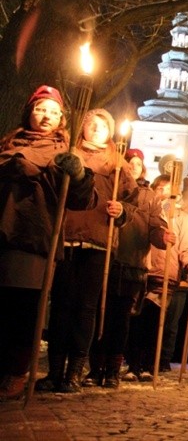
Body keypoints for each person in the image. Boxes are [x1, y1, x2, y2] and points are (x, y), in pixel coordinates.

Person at [0, 86, 95, 401]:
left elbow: (83, 199)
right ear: (29, 112)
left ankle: (15, 371)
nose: (47, 116)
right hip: (3, 231)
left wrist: (79, 175)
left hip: (34, 236)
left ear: (61, 120)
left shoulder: (63, 152)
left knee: (23, 311)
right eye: (41, 109)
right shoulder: (8, 143)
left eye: (54, 112)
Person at [37, 108, 140, 394]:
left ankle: (74, 371)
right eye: (91, 124)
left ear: (110, 132)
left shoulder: (117, 164)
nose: (96, 129)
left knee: (85, 308)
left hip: (97, 242)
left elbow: (132, 201)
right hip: (65, 236)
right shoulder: (68, 153)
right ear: (82, 128)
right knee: (60, 305)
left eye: (102, 126)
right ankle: (54, 370)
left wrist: (121, 211)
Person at [83, 148, 168, 388]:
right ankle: (94, 366)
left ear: (143, 170)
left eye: (138, 164)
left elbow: (154, 226)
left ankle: (112, 369)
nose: (133, 167)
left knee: (120, 319)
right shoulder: (109, 185)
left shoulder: (148, 196)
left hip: (131, 261)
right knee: (99, 313)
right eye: (128, 163)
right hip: (105, 256)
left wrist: (163, 237)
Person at [123, 174, 188, 381]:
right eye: (161, 188)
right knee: (135, 319)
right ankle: (132, 364)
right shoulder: (144, 211)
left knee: (154, 321)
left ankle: (149, 364)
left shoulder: (181, 218)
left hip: (163, 274)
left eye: (169, 190)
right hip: (140, 269)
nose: (165, 193)